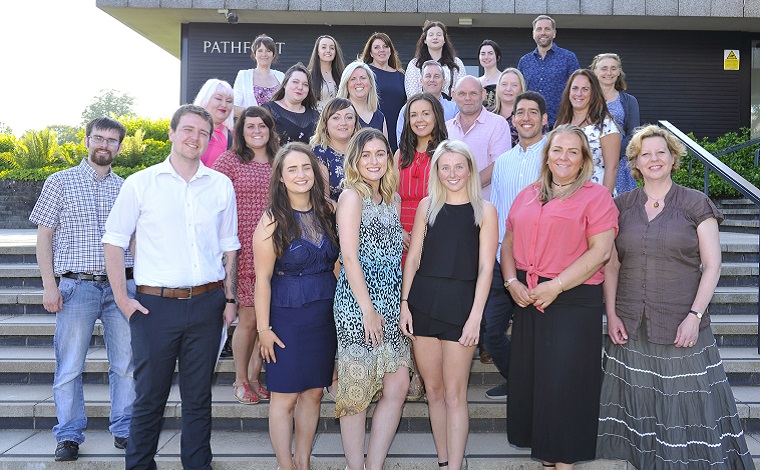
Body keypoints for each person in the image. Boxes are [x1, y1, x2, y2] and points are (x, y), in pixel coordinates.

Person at [596, 125, 754, 469]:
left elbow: (712, 266)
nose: (654, 159)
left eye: (661, 152)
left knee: (686, 411)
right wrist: (612, 313)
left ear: (673, 158)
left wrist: (694, 317)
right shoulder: (620, 205)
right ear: (634, 162)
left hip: (681, 323)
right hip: (631, 326)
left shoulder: (695, 202)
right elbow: (611, 265)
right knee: (642, 406)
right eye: (645, 154)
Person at [103, 104, 240, 470]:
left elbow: (230, 247)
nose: (195, 138)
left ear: (209, 140)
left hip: (208, 304)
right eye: (188, 130)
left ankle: (198, 465)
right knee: (149, 397)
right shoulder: (141, 183)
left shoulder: (220, 185)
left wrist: (229, 297)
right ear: (172, 133)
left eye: (202, 133)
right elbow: (114, 241)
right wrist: (122, 298)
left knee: (198, 399)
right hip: (155, 307)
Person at [503, 125, 618, 469]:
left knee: (564, 385)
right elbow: (508, 242)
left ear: (584, 159)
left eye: (572, 151)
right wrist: (511, 282)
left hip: (573, 300)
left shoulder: (596, 196)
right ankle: (547, 459)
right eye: (557, 150)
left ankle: (563, 463)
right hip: (529, 297)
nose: (563, 157)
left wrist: (556, 286)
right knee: (537, 384)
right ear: (547, 155)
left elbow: (600, 253)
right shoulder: (528, 193)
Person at [30, 117, 135, 461]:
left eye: (112, 140)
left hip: (121, 287)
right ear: (87, 140)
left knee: (125, 364)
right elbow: (44, 236)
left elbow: (136, 239)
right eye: (99, 138)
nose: (104, 145)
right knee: (70, 365)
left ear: (119, 146)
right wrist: (50, 285)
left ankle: (124, 428)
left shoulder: (127, 188)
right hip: (77, 286)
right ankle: (69, 436)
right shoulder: (60, 181)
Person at [399, 140, 498, 470]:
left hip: (461, 306)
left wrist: (475, 318)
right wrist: (404, 304)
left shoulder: (485, 211)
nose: (452, 173)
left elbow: (486, 268)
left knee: (456, 394)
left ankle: (456, 465)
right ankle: (443, 462)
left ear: (470, 169)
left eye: (459, 166)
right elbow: (412, 259)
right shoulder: (427, 206)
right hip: (423, 302)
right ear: (436, 171)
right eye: (445, 167)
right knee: (435, 390)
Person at [253, 142, 340, 470]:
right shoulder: (271, 221)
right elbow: (261, 280)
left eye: (306, 167)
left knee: (314, 393)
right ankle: (285, 465)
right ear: (280, 177)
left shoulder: (329, 211)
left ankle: (303, 462)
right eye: (292, 169)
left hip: (324, 316)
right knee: (285, 397)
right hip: (287, 318)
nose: (301, 174)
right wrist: (264, 330)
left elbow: (337, 264)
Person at [334, 128, 412, 470]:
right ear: (355, 159)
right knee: (356, 391)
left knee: (397, 385)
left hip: (391, 302)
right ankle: (355, 466)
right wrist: (367, 310)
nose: (374, 160)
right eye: (366, 154)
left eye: (380, 153)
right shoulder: (351, 197)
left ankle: (373, 464)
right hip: (358, 304)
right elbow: (348, 257)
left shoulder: (392, 200)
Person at [483, 91, 548, 401]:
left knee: (534, 335)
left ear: (544, 119)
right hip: (501, 260)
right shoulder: (503, 162)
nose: (525, 117)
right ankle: (519, 378)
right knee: (490, 333)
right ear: (513, 118)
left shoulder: (554, 158)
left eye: (532, 112)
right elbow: (494, 208)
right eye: (520, 112)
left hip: (540, 263)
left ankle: (535, 386)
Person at [212, 106, 279, 405]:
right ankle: (240, 380)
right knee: (249, 318)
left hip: (277, 248)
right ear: (240, 131)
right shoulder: (230, 161)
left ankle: (254, 377)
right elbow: (210, 200)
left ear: (269, 129)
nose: (256, 131)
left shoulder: (279, 160)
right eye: (249, 126)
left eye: (261, 126)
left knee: (267, 318)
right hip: (242, 250)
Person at [395, 92, 448, 400]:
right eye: (414, 114)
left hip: (434, 234)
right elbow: (388, 194)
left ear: (436, 117)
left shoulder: (446, 154)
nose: (419, 119)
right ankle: (412, 370)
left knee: (427, 303)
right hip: (400, 236)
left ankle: (432, 374)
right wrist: (400, 229)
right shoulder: (398, 155)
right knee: (406, 304)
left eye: (425, 113)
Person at [446, 75, 512, 200]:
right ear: (454, 95)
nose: (467, 98)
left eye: (473, 93)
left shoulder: (498, 124)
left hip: (486, 207)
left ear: (483, 94)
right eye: (462, 94)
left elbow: (499, 165)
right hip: (452, 204)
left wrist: (465, 188)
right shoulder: (446, 128)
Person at [555, 69, 621, 193]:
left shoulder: (605, 125)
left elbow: (612, 168)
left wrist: (604, 200)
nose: (579, 93)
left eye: (585, 89)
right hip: (564, 194)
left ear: (593, 93)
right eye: (575, 88)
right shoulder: (561, 123)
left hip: (595, 195)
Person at [590, 53, 640, 194]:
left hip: (619, 162)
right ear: (595, 71)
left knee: (621, 207)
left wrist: (612, 155)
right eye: (604, 68)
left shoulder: (629, 101)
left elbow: (634, 134)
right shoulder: (585, 99)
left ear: (619, 72)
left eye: (613, 68)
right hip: (591, 162)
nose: (609, 73)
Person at [517, 15, 580, 126]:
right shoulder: (524, 61)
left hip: (561, 123)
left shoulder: (568, 58)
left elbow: (577, 90)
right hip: (531, 124)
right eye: (539, 29)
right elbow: (519, 93)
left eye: (547, 29)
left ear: (554, 33)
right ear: (533, 34)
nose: (543, 33)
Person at [360, 32, 406, 153]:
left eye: (385, 46)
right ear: (370, 52)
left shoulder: (400, 76)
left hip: (397, 129)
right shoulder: (365, 73)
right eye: (376, 47)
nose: (382, 50)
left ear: (390, 50)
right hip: (373, 126)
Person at [396, 60, 458, 144]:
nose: (432, 80)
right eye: (428, 76)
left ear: (444, 82)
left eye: (436, 76)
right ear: (421, 81)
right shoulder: (408, 108)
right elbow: (402, 141)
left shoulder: (454, 109)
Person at [310, 97, 360, 202]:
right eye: (336, 118)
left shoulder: (363, 150)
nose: (343, 122)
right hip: (337, 214)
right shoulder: (319, 153)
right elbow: (324, 199)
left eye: (349, 117)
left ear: (355, 123)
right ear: (325, 123)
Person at [261, 63, 320, 146]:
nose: (300, 87)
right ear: (285, 84)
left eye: (305, 84)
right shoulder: (269, 110)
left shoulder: (315, 116)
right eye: (295, 82)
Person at [405, 20, 465, 99]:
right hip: (422, 108)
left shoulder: (456, 63)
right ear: (425, 40)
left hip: (451, 109)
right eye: (431, 35)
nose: (435, 37)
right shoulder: (415, 64)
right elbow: (412, 93)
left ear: (444, 40)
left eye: (439, 35)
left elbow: (461, 90)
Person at [232, 34, 285, 118]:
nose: (264, 54)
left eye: (268, 51)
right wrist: (258, 115)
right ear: (254, 54)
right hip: (252, 128)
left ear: (273, 55)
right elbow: (233, 108)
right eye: (260, 50)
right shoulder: (244, 75)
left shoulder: (282, 76)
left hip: (277, 129)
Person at [337, 61, 387, 137]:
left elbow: (385, 148)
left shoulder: (380, 117)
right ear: (346, 85)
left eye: (363, 78)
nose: (358, 82)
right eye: (353, 79)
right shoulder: (337, 114)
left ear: (370, 83)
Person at [193, 78, 234, 167]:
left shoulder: (236, 135)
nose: (224, 105)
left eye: (229, 101)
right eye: (219, 99)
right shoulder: (192, 133)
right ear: (205, 99)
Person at [307, 35, 346, 112]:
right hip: (315, 120)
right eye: (324, 47)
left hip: (338, 119)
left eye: (332, 48)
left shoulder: (343, 75)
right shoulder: (308, 75)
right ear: (317, 51)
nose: (328, 50)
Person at [490, 68, 527, 147]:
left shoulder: (528, 118)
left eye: (514, 85)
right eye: (504, 84)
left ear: (521, 89)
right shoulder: (487, 116)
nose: (508, 89)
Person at [477, 40, 502, 109]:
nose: (486, 57)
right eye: (483, 54)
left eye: (490, 53)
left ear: (498, 57)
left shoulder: (504, 79)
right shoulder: (476, 81)